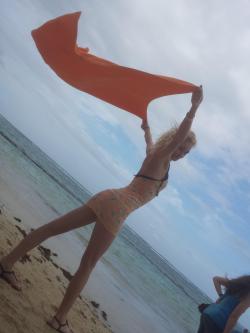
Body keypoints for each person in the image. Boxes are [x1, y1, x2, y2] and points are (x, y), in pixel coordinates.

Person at [0, 86, 203, 333]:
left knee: (52, 229)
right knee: (88, 264)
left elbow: (148, 141)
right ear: (173, 141)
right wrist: (194, 107)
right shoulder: (163, 155)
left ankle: (7, 263)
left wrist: (147, 128)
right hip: (118, 208)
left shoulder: (156, 154)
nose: (181, 152)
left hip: (109, 197)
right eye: (180, 147)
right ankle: (59, 318)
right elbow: (178, 135)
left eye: (186, 151)